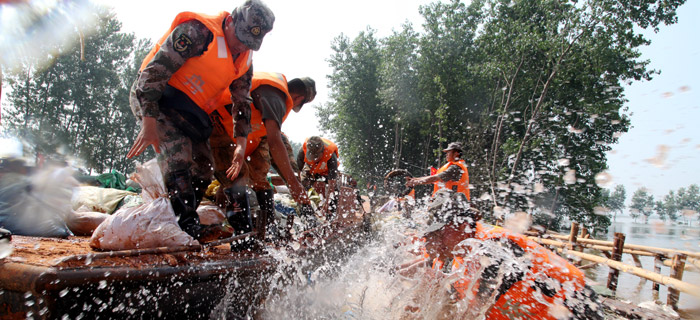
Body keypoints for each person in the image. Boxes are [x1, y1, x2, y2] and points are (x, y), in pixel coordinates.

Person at [125, 0, 275, 245]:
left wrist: (240, 145)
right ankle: (187, 227)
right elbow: (153, 74)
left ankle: (179, 220)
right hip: (157, 98)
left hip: (189, 110)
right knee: (178, 159)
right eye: (239, 38)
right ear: (229, 22)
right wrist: (149, 123)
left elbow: (241, 103)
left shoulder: (244, 61)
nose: (240, 46)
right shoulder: (197, 32)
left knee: (203, 169)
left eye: (248, 43)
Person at [399, 192, 603, 319]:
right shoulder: (462, 258)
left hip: (578, 308)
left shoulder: (493, 246)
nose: (436, 241)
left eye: (439, 233)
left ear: (461, 226)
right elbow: (449, 303)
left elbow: (474, 312)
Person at [213, 72, 316, 243]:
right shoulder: (275, 95)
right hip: (219, 130)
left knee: (260, 172)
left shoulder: (272, 98)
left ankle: (269, 228)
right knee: (235, 179)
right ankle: (243, 239)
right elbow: (276, 142)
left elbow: (273, 146)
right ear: (298, 97)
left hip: (246, 137)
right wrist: (294, 184)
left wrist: (294, 182)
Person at [405, 142, 470, 201]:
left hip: (456, 204)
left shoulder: (456, 168)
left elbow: (435, 178)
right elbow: (434, 177)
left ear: (456, 154)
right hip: (448, 202)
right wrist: (414, 179)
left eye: (448, 152)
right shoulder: (451, 165)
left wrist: (416, 182)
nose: (446, 154)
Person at [296, 136, 340, 218]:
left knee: (335, 192)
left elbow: (332, 184)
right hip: (311, 169)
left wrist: (327, 204)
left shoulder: (331, 156)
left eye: (315, 157)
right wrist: (300, 190)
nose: (313, 159)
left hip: (326, 171)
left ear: (322, 152)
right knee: (303, 184)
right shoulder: (302, 151)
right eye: (311, 156)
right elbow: (298, 173)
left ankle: (331, 214)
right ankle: (305, 211)